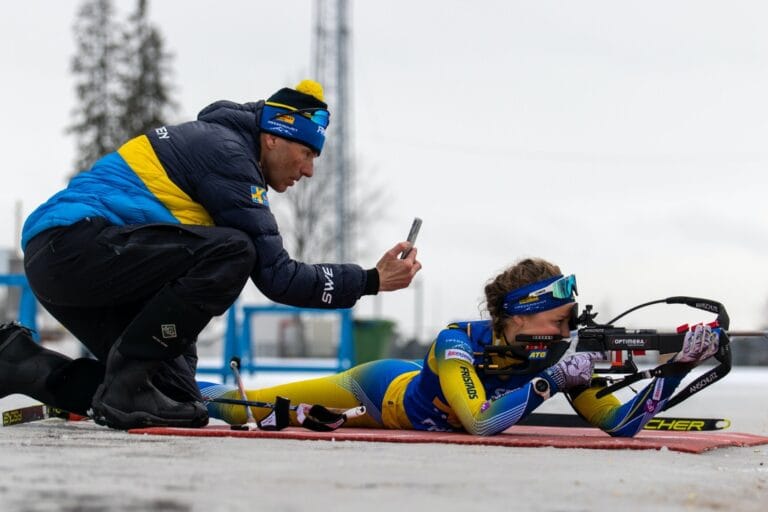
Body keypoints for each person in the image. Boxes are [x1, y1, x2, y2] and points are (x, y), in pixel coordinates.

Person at [0, 79, 421, 430]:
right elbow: (277, 276)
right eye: (307, 154)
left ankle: (20, 365)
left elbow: (179, 281)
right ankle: (126, 380)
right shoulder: (227, 154)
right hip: (72, 245)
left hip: (72, 261)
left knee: (179, 403)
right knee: (235, 250)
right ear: (273, 137)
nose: (308, 170)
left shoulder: (224, 152)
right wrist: (370, 280)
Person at [200, 257, 719, 437]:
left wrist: (674, 370)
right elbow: (481, 422)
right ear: (518, 314)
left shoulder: (557, 354)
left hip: (409, 410)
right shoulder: (457, 343)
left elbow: (621, 425)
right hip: (380, 392)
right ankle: (184, 391)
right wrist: (552, 381)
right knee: (245, 408)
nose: (566, 334)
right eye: (558, 321)